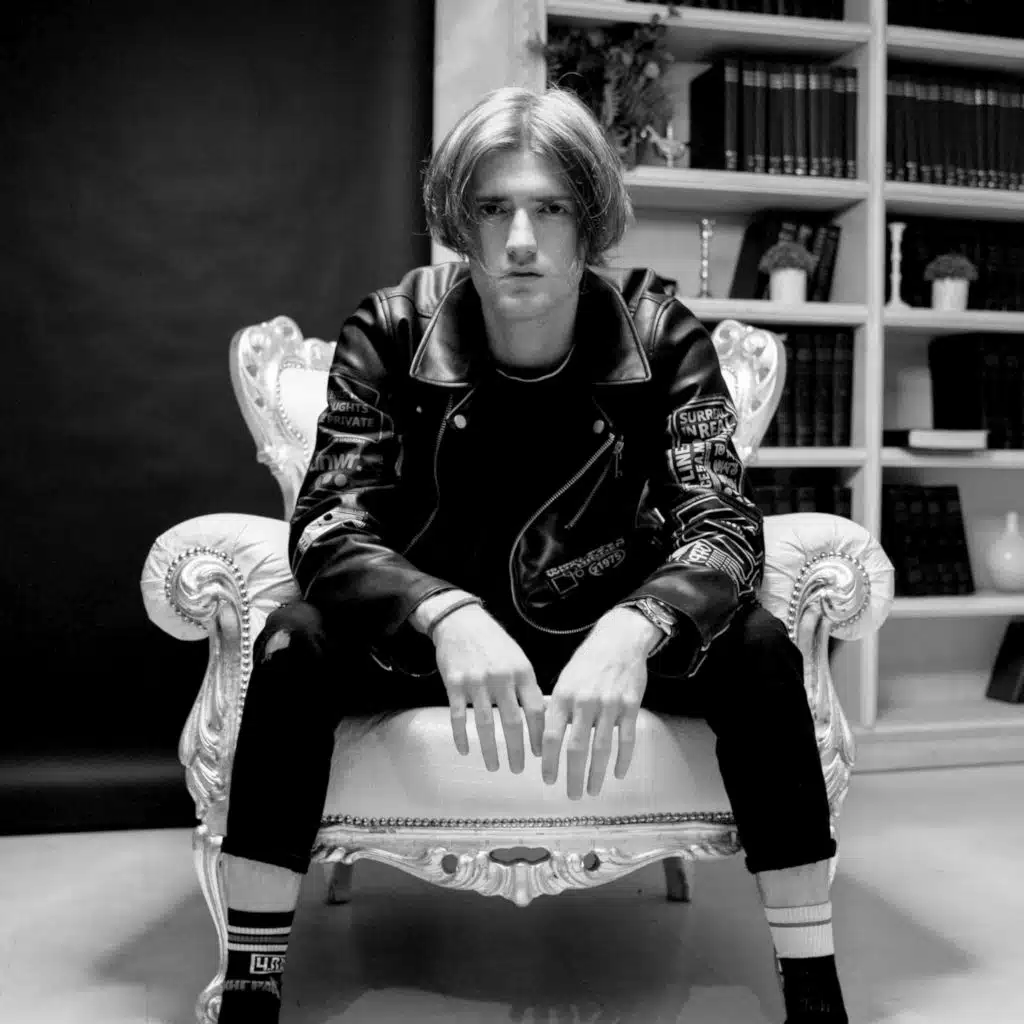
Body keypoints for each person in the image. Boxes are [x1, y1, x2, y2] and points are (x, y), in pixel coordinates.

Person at [214, 85, 848, 1024]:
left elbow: (722, 517)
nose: (520, 240)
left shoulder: (660, 332)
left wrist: (640, 625)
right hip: (429, 642)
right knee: (290, 640)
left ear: (589, 222)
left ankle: (814, 988)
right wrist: (442, 613)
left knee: (758, 646)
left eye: (549, 208)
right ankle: (250, 990)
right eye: (492, 208)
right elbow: (328, 524)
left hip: (609, 634)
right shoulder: (390, 329)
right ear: (457, 221)